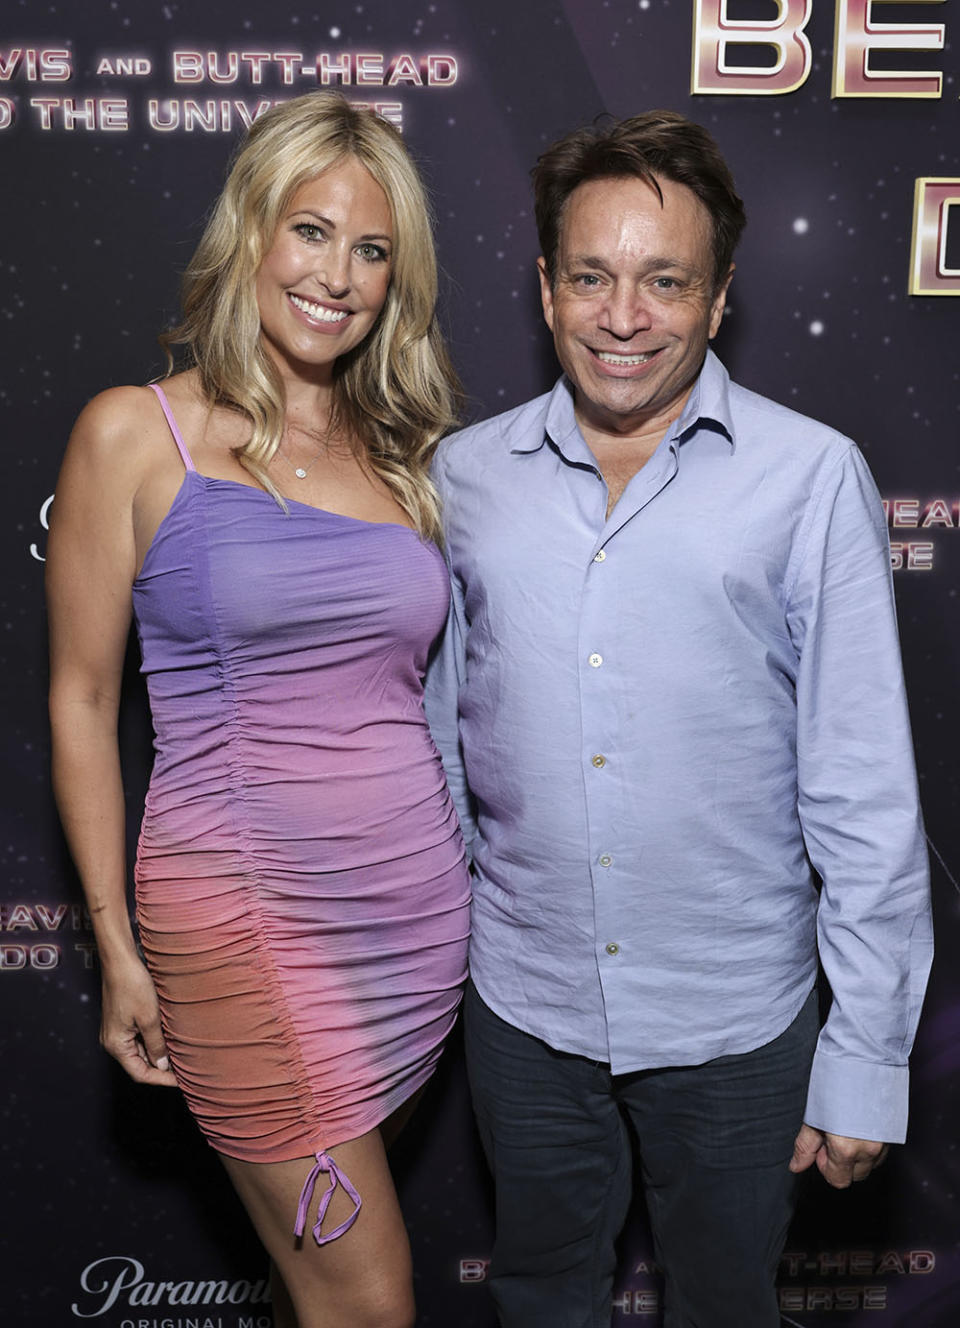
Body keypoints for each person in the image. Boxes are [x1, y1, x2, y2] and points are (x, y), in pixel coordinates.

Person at [424, 110, 932, 1327]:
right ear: (546, 287)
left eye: (665, 280)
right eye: (591, 276)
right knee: (541, 1293)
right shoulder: (463, 476)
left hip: (739, 1023)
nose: (623, 315)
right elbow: (436, 749)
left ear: (719, 297)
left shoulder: (810, 478)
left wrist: (865, 1053)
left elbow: (863, 788)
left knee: (725, 1301)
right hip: (524, 1007)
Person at [46, 92, 470, 1328]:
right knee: (369, 1299)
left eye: (372, 249)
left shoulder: (403, 453)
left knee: (321, 1291)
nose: (338, 276)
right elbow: (79, 700)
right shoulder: (136, 432)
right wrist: (114, 947)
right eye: (311, 231)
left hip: (404, 928)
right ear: (250, 232)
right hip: (248, 924)